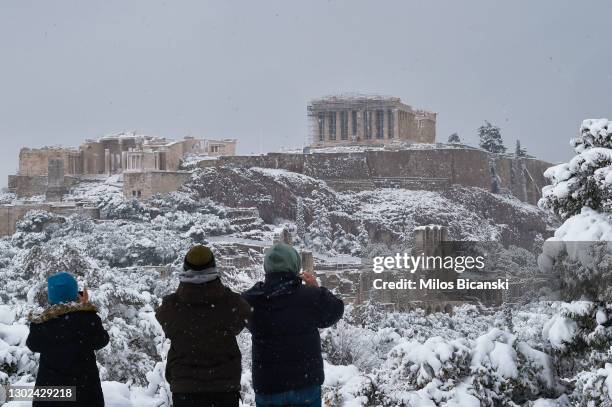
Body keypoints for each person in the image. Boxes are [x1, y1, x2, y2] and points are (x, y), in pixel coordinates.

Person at [243, 243, 344, 407]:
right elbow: (335, 311)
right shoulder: (310, 296)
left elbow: (239, 319)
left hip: (269, 385)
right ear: (295, 265)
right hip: (305, 383)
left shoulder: (252, 299)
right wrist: (317, 288)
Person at [156, 245, 251, 407]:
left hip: (185, 388)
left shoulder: (170, 306)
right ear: (213, 267)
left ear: (185, 268)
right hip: (224, 387)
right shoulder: (232, 303)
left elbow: (167, 325)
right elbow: (241, 320)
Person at [26, 272, 109, 407]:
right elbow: (102, 340)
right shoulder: (88, 319)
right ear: (75, 293)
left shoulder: (41, 323)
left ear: (51, 296)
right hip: (85, 392)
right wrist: (85, 307)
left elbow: (33, 344)